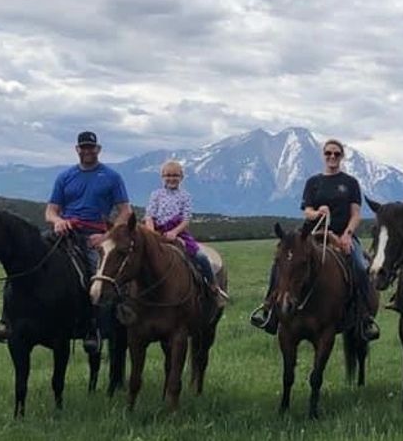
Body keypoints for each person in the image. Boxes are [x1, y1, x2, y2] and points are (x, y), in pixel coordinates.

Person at [0, 130, 131, 352]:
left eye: (91, 147)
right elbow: (50, 211)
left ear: (98, 150)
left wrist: (107, 236)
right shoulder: (65, 177)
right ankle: (7, 320)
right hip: (64, 232)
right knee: (22, 263)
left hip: (94, 236)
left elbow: (125, 212)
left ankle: (93, 327)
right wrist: (57, 221)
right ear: (77, 149)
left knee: (97, 276)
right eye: (83, 147)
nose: (87, 151)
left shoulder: (112, 177)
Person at [250, 139, 380, 341]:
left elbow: (356, 214)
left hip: (343, 235)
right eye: (328, 153)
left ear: (342, 156)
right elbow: (307, 211)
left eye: (336, 154)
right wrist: (318, 212)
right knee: (282, 263)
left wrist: (347, 234)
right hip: (312, 235)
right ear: (323, 155)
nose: (332, 157)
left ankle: (364, 317)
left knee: (360, 266)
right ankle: (269, 309)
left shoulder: (350, 183)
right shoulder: (313, 182)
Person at [144, 160, 227, 304]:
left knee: (200, 257)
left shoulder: (185, 196)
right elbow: (149, 215)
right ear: (162, 177)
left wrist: (175, 232)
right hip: (156, 231)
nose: (171, 178)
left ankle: (213, 286)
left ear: (182, 177)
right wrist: (151, 233)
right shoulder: (155, 194)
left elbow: (186, 219)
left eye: (175, 175)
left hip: (177, 231)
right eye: (168, 175)